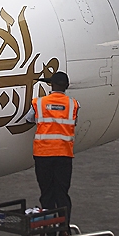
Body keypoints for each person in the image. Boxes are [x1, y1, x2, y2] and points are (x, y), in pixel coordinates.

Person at [23, 71, 78, 222]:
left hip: (43, 154)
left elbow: (28, 119)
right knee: (62, 193)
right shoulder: (73, 104)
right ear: (66, 86)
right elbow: (74, 122)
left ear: (51, 85)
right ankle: (64, 229)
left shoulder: (39, 103)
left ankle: (49, 229)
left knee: (46, 193)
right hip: (64, 154)